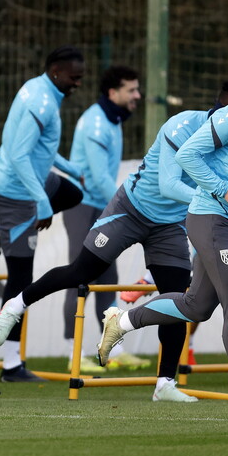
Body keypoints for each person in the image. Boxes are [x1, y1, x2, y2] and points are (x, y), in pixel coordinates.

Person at [0, 79, 228, 401]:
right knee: (82, 272)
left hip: (169, 225)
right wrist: (221, 194)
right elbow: (169, 186)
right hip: (130, 210)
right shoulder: (182, 125)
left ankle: (165, 384)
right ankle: (16, 305)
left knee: (177, 300)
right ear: (225, 110)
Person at [94, 48, 228, 419]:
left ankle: (121, 322)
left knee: (197, 307)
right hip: (211, 219)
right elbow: (187, 155)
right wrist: (224, 190)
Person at [0, 46, 86, 382]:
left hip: (33, 184)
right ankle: (11, 366)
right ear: (56, 71)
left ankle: (1, 231)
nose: (78, 83)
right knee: (20, 279)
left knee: (72, 192)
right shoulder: (41, 101)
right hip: (17, 196)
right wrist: (41, 202)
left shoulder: (39, 87)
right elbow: (18, 154)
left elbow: (40, 147)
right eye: (74, 77)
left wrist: (70, 168)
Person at [120, 78, 228, 305]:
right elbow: (171, 182)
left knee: (204, 300)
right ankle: (133, 313)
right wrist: (217, 197)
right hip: (210, 212)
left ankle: (152, 286)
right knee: (217, 294)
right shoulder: (198, 128)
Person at [59, 65, 142, 367]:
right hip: (82, 206)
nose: (137, 95)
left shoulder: (114, 118)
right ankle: (72, 354)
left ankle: (113, 350)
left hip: (102, 208)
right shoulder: (96, 122)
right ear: (113, 92)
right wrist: (131, 206)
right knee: (79, 275)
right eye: (131, 90)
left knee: (108, 276)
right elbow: (97, 178)